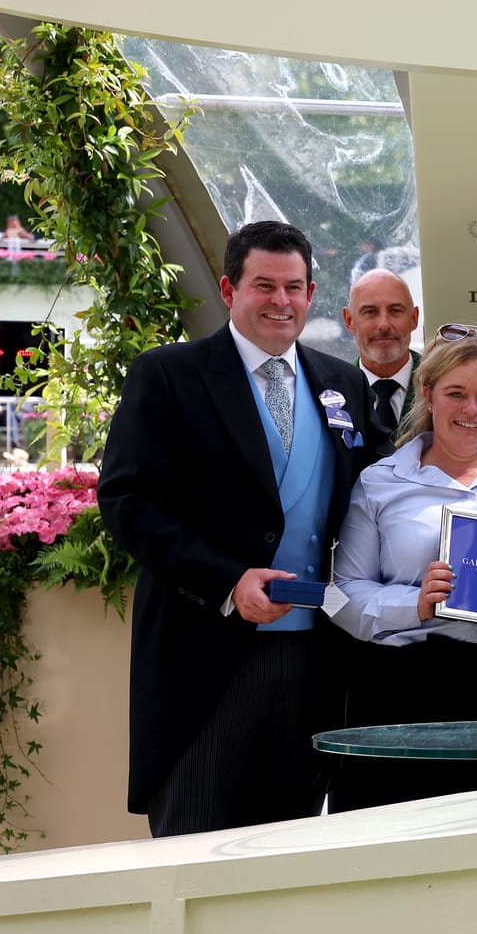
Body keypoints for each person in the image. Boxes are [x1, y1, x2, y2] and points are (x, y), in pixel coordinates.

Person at [97, 221, 371, 837]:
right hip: (205, 654)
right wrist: (226, 581)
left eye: (295, 287)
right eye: (264, 286)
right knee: (194, 838)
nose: (281, 301)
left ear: (311, 292)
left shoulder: (343, 383)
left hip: (314, 659)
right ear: (228, 289)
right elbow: (127, 500)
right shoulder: (169, 376)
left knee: (288, 843)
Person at [330, 329, 477, 809]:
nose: (471, 410)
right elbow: (341, 593)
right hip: (399, 687)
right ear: (428, 395)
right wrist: (416, 603)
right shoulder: (380, 481)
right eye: (456, 393)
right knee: (390, 843)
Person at [342, 268, 420, 457]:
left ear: (414, 318)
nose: (384, 324)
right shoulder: (332, 393)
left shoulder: (442, 386)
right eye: (370, 312)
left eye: (395, 311)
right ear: (349, 320)